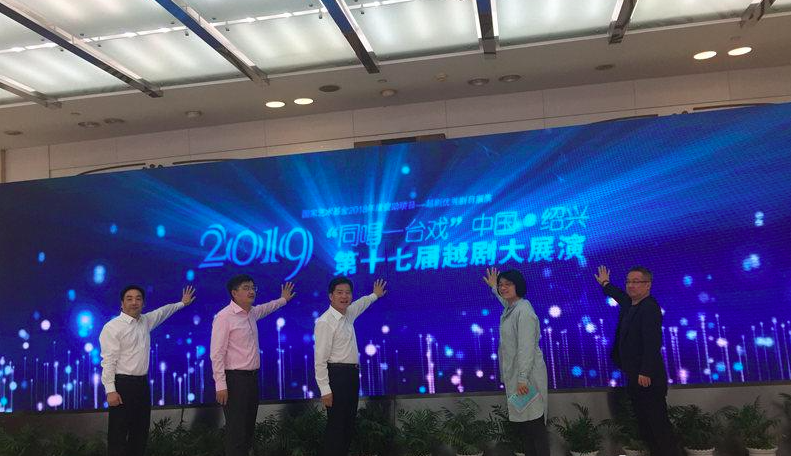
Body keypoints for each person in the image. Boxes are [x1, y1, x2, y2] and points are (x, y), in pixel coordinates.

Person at [100, 284, 196, 456]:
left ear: (143, 303)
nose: (134, 302)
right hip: (122, 385)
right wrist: (110, 390)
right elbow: (108, 361)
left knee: (140, 432)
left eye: (138, 299)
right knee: (118, 433)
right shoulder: (112, 327)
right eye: (129, 299)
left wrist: (182, 303)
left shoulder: (145, 321)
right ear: (121, 303)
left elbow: (163, 311)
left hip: (142, 385)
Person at [595, 265, 680, 456]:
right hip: (634, 375)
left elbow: (652, 342)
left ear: (648, 285)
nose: (631, 285)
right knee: (646, 427)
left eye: (636, 282)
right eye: (628, 281)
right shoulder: (631, 304)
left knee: (658, 427)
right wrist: (606, 283)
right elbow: (619, 295)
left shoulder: (649, 307)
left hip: (648, 378)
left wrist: (645, 371)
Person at [210, 274, 296, 456]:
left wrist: (283, 300)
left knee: (248, 429)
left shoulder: (251, 313)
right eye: (246, 288)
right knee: (237, 431)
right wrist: (220, 384)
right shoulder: (224, 317)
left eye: (253, 287)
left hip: (251, 379)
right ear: (234, 293)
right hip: (235, 381)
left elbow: (267, 308)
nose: (251, 291)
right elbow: (217, 353)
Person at [314, 278, 388, 456]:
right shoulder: (325, 322)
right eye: (339, 292)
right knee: (337, 427)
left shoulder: (348, 313)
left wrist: (375, 295)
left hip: (351, 376)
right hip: (337, 377)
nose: (344, 296)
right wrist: (325, 390)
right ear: (331, 296)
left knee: (348, 425)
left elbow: (362, 303)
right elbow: (320, 359)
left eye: (347, 293)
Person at [484, 268, 549, 456]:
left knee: (535, 425)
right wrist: (494, 288)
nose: (503, 288)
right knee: (526, 426)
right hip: (519, 377)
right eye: (501, 284)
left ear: (518, 285)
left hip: (527, 378)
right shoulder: (513, 308)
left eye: (508, 284)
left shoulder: (524, 311)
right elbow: (506, 301)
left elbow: (526, 347)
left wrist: (522, 378)